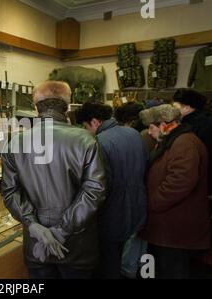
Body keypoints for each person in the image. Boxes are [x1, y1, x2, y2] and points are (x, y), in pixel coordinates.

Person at [1, 81, 106, 279]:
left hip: (37, 244)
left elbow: (10, 192)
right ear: (67, 107)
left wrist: (33, 226)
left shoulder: (15, 142)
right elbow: (94, 191)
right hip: (77, 244)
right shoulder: (86, 139)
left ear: (35, 108)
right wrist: (62, 230)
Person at [75, 102, 147, 279]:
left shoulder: (100, 142)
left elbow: (101, 186)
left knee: (109, 263)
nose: (86, 131)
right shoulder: (134, 134)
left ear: (94, 122)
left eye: (85, 126)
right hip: (137, 207)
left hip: (112, 214)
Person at [139, 104, 211, 279]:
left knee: (173, 269)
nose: (149, 132)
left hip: (175, 226)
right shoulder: (174, 140)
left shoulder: (184, 143)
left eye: (152, 127)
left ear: (165, 124)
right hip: (170, 224)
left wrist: (152, 203)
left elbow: (179, 182)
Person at [172, 88, 212, 198]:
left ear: (187, 107)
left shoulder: (193, 127)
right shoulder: (207, 121)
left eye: (175, 107)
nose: (172, 111)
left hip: (201, 185)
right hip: (207, 183)